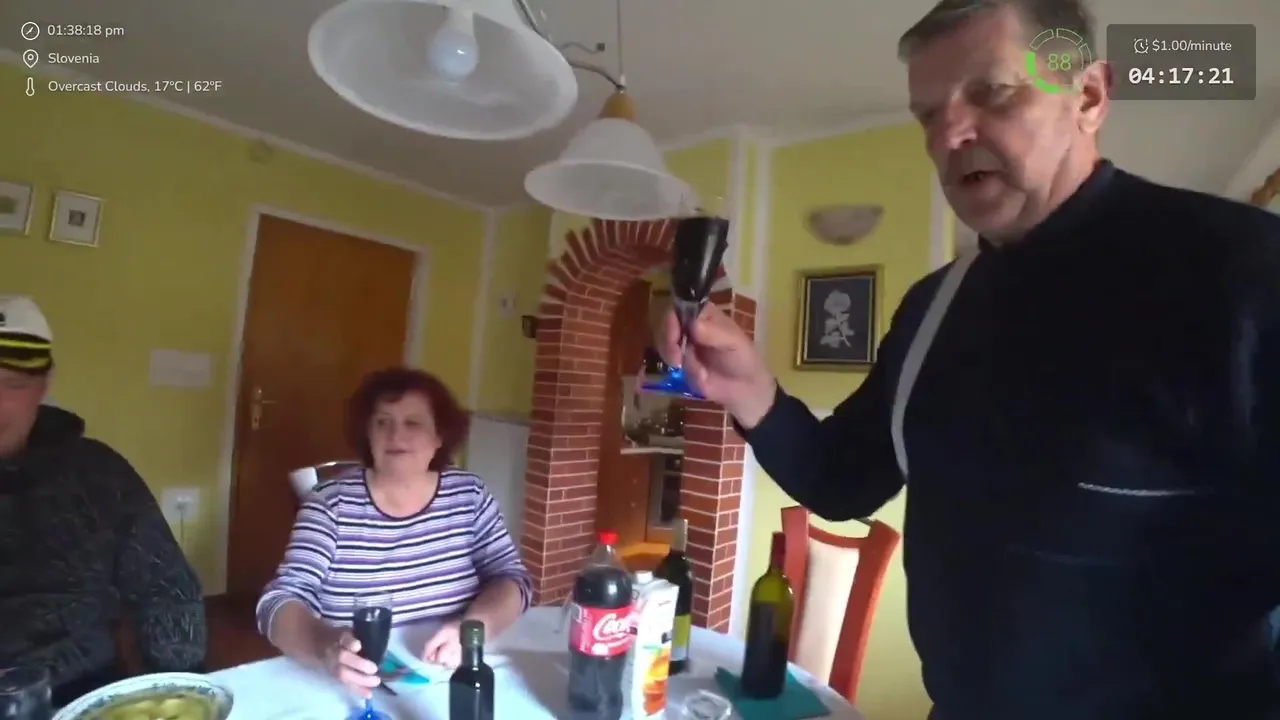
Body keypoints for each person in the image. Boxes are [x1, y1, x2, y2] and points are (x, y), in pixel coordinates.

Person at [659, 1, 1280, 718]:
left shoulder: (1244, 274)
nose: (949, 135)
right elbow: (841, 482)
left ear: (1088, 95)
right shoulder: (934, 308)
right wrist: (751, 392)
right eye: (928, 115)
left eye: (992, 92)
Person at [257, 367, 532, 698]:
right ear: (367, 435)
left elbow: (511, 578)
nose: (395, 435)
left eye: (412, 423)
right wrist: (325, 645)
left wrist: (474, 629)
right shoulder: (330, 504)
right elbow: (277, 602)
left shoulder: (468, 494)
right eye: (382, 422)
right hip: (351, 686)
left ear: (439, 437)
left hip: (453, 678)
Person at [0, 295, 207, 705]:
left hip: (81, 692)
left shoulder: (99, 474)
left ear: (45, 384)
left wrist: (176, 697)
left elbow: (167, 589)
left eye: (14, 384)